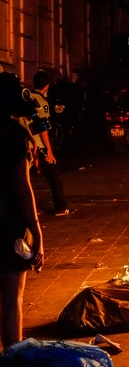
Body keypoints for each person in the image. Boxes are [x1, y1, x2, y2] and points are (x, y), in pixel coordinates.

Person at [0, 72, 44, 348]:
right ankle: (12, 360)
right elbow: (21, 187)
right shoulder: (13, 134)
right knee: (10, 298)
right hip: (6, 226)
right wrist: (36, 230)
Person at [19, 71, 72, 216]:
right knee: (53, 177)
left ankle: (23, 210)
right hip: (38, 146)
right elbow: (42, 128)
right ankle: (60, 207)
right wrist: (49, 150)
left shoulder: (24, 97)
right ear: (47, 86)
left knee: (22, 179)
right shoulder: (41, 102)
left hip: (22, 145)